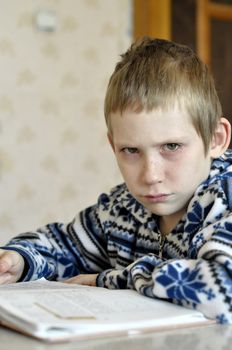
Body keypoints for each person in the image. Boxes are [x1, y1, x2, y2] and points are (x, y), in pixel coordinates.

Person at [0, 37, 231, 324]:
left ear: (215, 139)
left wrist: (109, 280)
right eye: (131, 150)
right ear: (113, 146)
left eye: (171, 147)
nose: (150, 175)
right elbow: (63, 245)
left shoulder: (226, 199)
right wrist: (18, 259)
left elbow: (224, 289)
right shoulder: (120, 208)